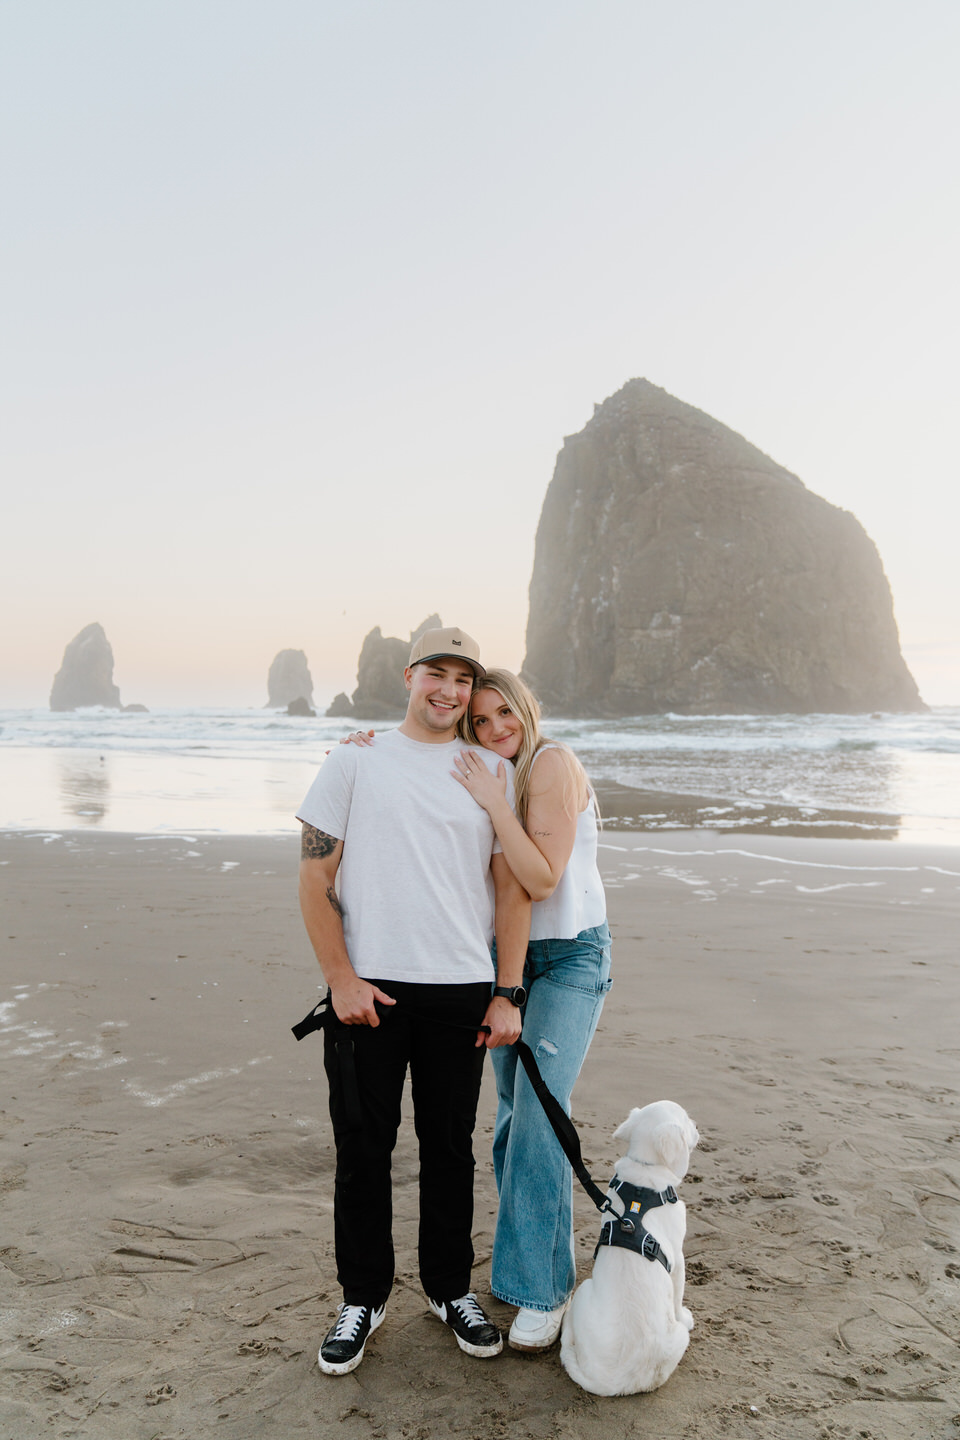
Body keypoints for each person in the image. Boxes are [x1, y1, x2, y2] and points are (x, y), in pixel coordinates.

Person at [344, 668, 611, 1354]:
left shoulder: (547, 763)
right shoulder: (488, 768)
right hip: (504, 961)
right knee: (513, 1121)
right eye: (481, 721)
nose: (495, 729)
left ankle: (542, 1290)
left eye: (504, 714)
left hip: (569, 960)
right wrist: (362, 750)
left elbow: (542, 877)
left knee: (539, 1121)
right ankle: (526, 1264)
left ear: (527, 707)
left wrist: (495, 804)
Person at [297, 628, 531, 1377]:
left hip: (461, 988)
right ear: (409, 676)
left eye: (464, 680)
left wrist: (504, 992)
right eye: (438, 673)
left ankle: (447, 1288)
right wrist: (340, 979)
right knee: (362, 1151)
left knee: (449, 1150)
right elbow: (313, 877)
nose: (451, 691)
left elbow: (511, 887)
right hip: (369, 990)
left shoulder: (492, 767)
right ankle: (361, 1298)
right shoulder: (353, 758)